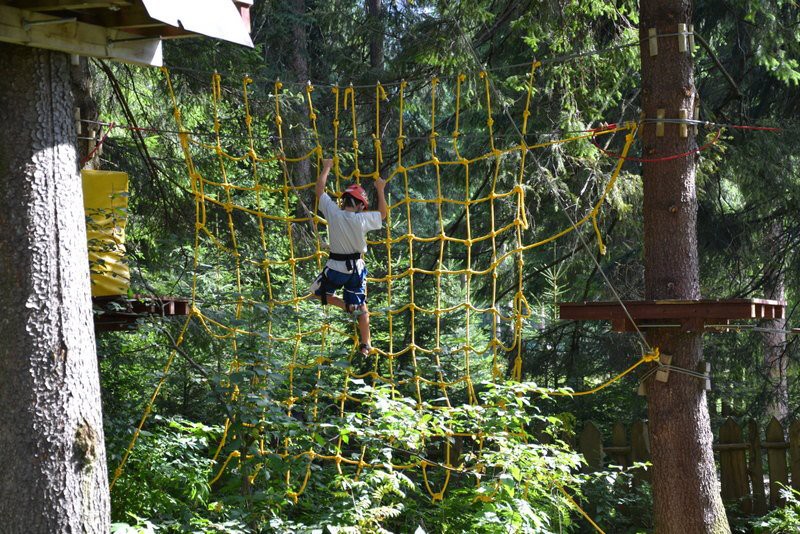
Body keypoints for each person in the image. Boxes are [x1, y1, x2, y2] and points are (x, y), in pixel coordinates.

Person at [309, 158, 387, 356]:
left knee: (318, 292)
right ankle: (366, 344)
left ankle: (346, 306)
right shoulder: (362, 219)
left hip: (336, 267)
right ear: (360, 205)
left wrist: (327, 167)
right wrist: (380, 189)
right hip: (357, 269)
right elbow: (383, 214)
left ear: (344, 201)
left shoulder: (333, 213)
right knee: (362, 306)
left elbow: (319, 190)